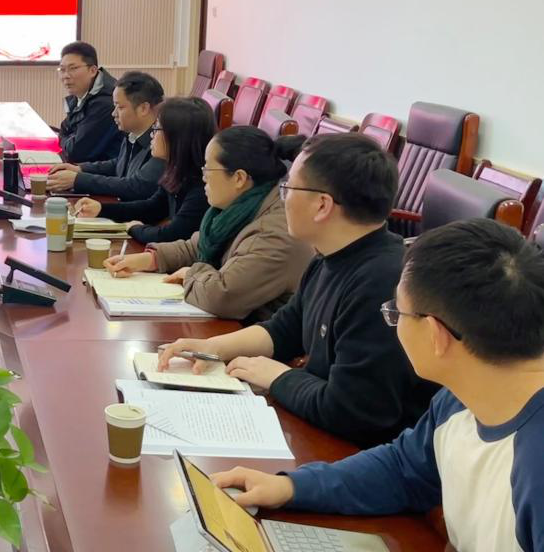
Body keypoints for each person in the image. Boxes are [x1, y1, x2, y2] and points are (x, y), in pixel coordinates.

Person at [210, 220, 544, 552]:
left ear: (436, 335)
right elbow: (403, 470)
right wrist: (292, 486)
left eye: (396, 313)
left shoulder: (535, 457)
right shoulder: (463, 397)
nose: (393, 323)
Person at [158, 133, 435, 447]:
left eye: (288, 189)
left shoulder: (381, 283)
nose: (282, 198)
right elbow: (285, 328)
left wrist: (277, 377)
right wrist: (212, 348)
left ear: (322, 205)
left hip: (360, 450)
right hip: (321, 427)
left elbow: (353, 412)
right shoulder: (328, 257)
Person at [104, 126, 312, 322]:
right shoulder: (242, 206)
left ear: (239, 178)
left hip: (257, 338)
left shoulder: (273, 233)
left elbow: (223, 296)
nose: (203, 177)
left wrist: (190, 274)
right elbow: (196, 246)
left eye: (208, 169)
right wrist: (150, 259)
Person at [73, 97, 214, 244]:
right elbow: (152, 208)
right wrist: (101, 209)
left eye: (157, 129)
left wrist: (134, 228)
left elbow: (171, 235)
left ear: (178, 136)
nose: (152, 135)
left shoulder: (201, 186)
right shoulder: (176, 170)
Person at [46, 71, 165, 199]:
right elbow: (119, 164)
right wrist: (80, 169)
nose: (114, 113)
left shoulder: (161, 144)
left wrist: (79, 180)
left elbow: (135, 186)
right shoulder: (132, 133)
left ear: (143, 109)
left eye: (120, 107)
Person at [55, 41, 122, 164]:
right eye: (62, 69)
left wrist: (64, 138)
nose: (66, 76)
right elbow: (65, 129)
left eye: (73, 68)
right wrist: (67, 137)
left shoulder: (106, 102)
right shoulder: (79, 95)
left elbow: (75, 152)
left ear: (92, 70)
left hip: (104, 172)